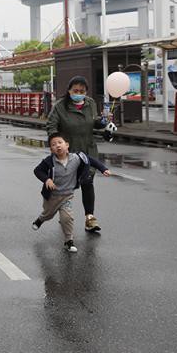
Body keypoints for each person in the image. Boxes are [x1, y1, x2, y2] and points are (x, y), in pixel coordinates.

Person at [45, 75, 111, 233]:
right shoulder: (60, 106)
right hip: (67, 153)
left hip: (88, 151)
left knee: (87, 183)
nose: (79, 93)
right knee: (66, 189)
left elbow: (93, 122)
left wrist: (102, 123)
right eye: (75, 90)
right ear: (69, 90)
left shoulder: (90, 103)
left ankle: (90, 219)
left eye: (82, 91)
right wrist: (56, 143)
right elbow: (51, 125)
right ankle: (63, 214)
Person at [32, 133, 111, 253]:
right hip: (52, 196)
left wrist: (103, 168)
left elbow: (91, 160)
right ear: (51, 149)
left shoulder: (76, 158)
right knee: (48, 214)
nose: (58, 146)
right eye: (54, 144)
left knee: (67, 218)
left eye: (60, 143)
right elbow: (38, 171)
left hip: (67, 196)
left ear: (67, 145)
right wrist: (47, 179)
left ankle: (69, 241)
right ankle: (40, 219)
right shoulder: (49, 161)